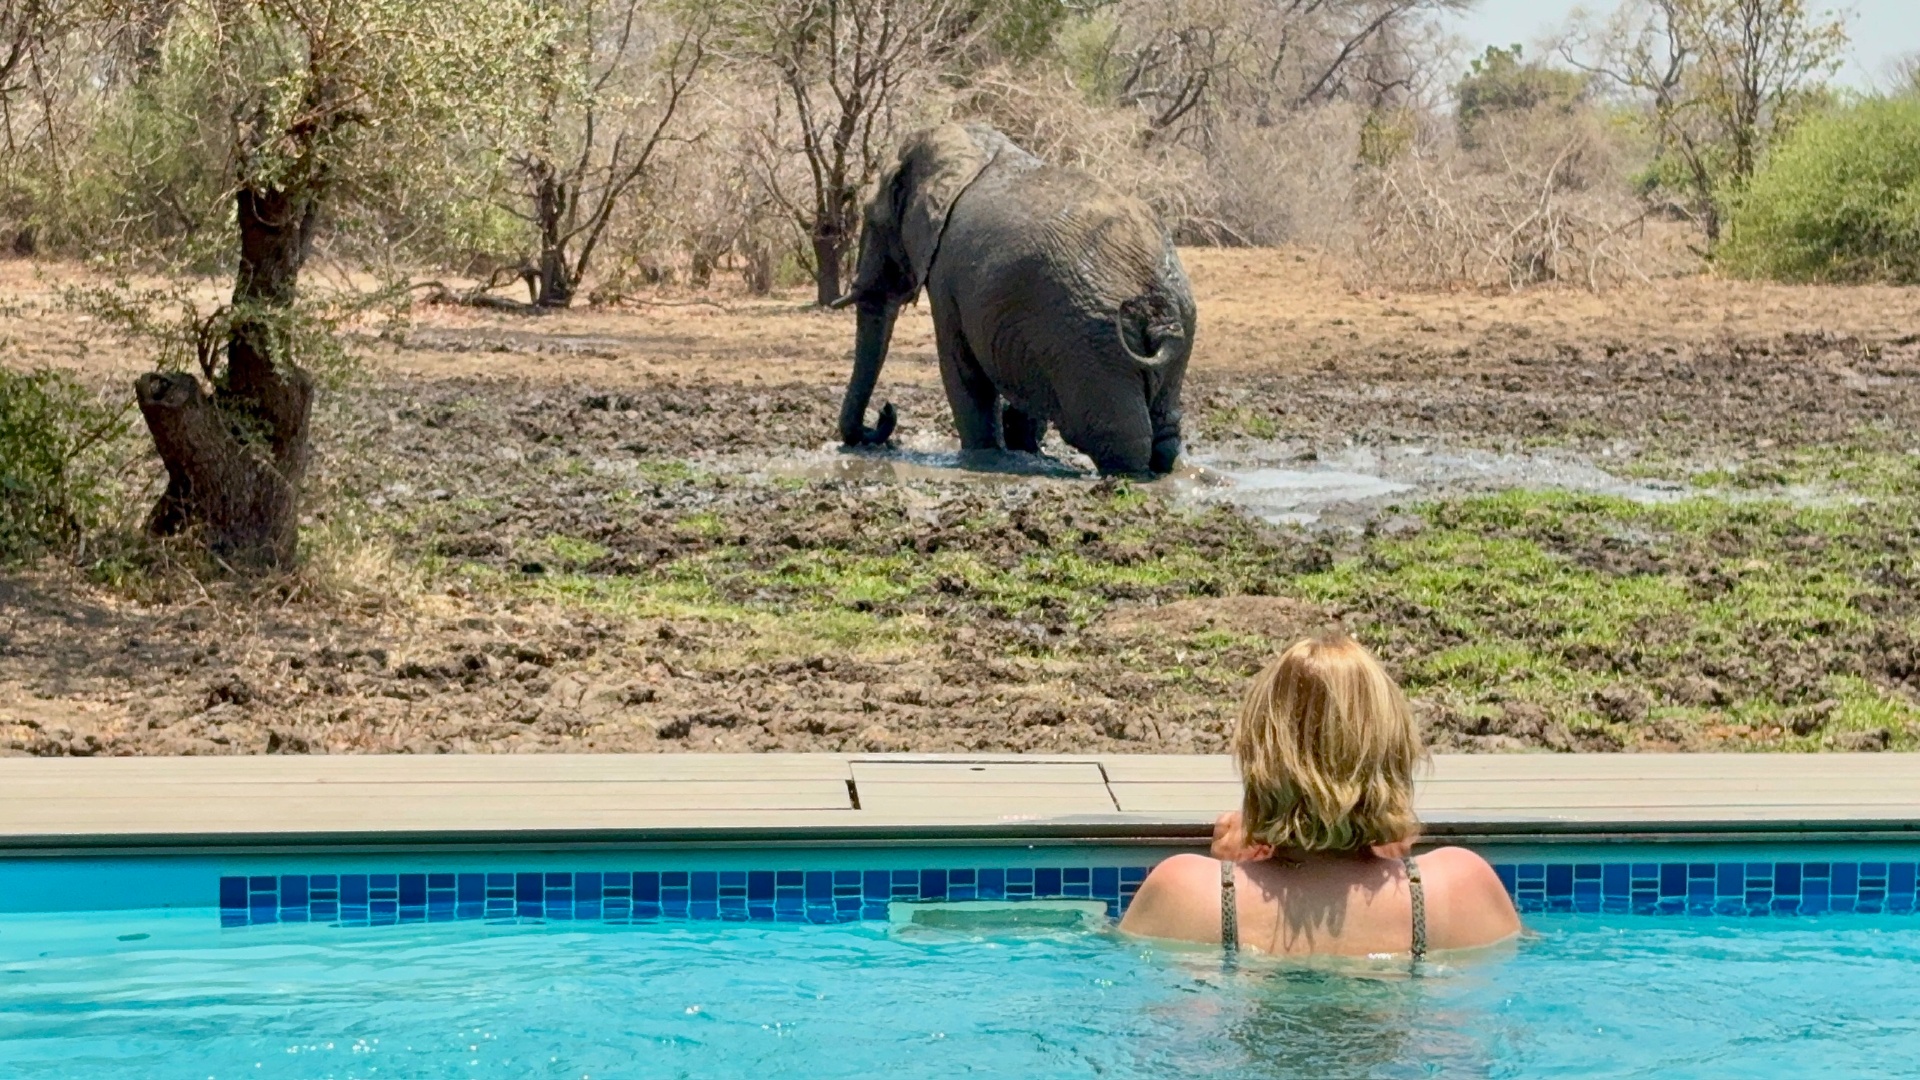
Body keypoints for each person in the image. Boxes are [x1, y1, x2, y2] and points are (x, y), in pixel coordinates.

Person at [1119, 634, 1520, 959]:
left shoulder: (1185, 892)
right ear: (1394, 752)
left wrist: (1227, 875)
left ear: (1260, 753)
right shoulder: (1463, 887)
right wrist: (1387, 861)